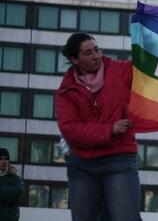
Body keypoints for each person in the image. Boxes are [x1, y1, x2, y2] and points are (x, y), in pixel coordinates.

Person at [55, 32, 141, 221]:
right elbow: (70, 130)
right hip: (81, 166)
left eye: (97, 49)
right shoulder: (66, 91)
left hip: (119, 160)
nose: (96, 55)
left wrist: (151, 39)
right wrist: (109, 130)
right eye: (88, 53)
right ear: (74, 59)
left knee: (126, 218)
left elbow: (147, 68)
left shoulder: (120, 71)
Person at [0, 148, 23, 221]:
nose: (4, 161)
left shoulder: (15, 178)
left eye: (6, 159)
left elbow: (17, 193)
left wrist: (1, 191)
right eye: (1, 159)